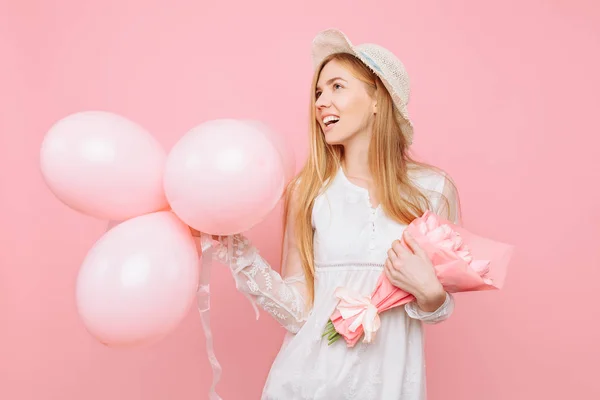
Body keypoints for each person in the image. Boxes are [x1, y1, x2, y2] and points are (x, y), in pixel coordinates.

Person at [194, 28, 462, 400]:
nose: (320, 102)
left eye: (337, 87)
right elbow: (300, 312)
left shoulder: (432, 191)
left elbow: (439, 304)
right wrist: (238, 251)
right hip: (309, 384)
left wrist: (432, 294)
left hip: (390, 386)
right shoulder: (309, 192)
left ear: (377, 99)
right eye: (318, 92)